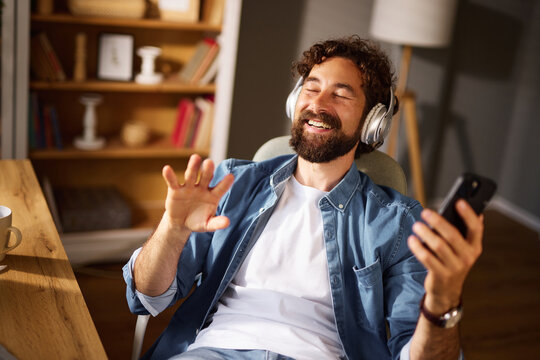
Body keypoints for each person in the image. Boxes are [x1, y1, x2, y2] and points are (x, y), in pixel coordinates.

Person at [123, 36, 484, 360]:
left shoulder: (398, 223)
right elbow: (147, 296)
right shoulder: (230, 183)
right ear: (295, 100)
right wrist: (171, 231)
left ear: (373, 122)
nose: (319, 104)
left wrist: (442, 303)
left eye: (341, 94)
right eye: (311, 89)